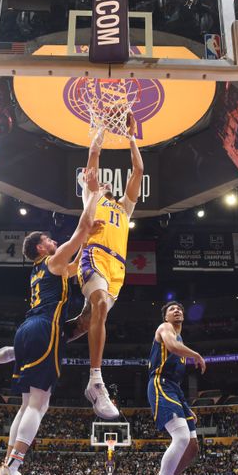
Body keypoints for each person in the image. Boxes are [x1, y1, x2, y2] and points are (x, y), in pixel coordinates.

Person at [0, 166, 102, 475]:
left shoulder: (42, 271)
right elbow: (79, 233)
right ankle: (12, 470)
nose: (55, 241)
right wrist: (92, 194)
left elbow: (77, 257)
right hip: (42, 330)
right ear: (41, 246)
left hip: (27, 330)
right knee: (40, 403)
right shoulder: (51, 261)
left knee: (25, 405)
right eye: (50, 239)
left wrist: (89, 238)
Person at [78, 116, 145, 419]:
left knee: (84, 322)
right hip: (94, 255)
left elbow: (139, 170)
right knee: (100, 305)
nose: (103, 182)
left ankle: (30, 346)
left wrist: (132, 136)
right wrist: (102, 128)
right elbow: (93, 158)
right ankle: (96, 380)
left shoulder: (124, 207)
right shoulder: (92, 196)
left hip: (118, 269)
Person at [143, 301, 206, 475]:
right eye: (172, 309)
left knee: (192, 447)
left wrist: (186, 407)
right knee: (180, 438)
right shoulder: (165, 329)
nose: (177, 310)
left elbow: (177, 349)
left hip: (175, 389)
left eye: (180, 308)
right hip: (160, 383)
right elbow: (172, 346)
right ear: (166, 317)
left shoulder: (181, 339)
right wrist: (196, 355)